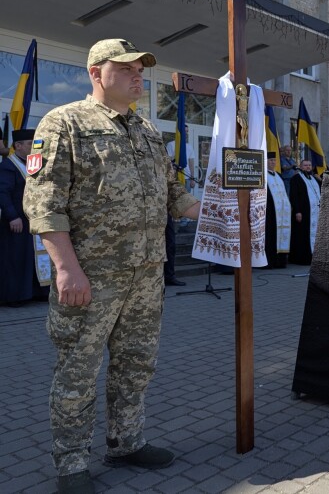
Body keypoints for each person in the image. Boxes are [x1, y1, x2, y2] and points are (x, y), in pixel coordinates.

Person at [22, 39, 200, 494]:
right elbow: (44, 205)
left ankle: (126, 441)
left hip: (146, 273)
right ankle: (71, 463)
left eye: (140, 69)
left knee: (136, 364)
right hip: (91, 275)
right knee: (78, 370)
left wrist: (225, 209)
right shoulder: (65, 123)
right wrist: (66, 269)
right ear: (96, 73)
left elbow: (174, 194)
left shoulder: (147, 130)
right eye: (126, 69)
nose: (138, 76)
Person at [0, 128, 50, 305]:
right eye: (30, 144)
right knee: (16, 259)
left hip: (35, 220)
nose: (34, 147)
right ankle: (16, 296)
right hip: (17, 221)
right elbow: (3, 193)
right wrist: (12, 216)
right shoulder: (8, 166)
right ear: (18, 145)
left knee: (34, 258)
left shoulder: (36, 163)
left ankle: (39, 292)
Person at [289, 159, 321, 265]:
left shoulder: (314, 178)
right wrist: (297, 211)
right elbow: (294, 196)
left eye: (309, 165)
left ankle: (313, 256)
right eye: (305, 165)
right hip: (303, 212)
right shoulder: (296, 179)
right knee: (302, 235)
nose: (308, 167)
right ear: (301, 166)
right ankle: (302, 258)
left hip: (315, 212)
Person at [265, 151, 291, 268]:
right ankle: (270, 261)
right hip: (270, 212)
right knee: (270, 236)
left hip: (282, 213)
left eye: (274, 160)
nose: (273, 162)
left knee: (281, 235)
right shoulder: (263, 176)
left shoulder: (279, 176)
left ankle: (280, 261)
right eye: (270, 160)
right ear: (265, 162)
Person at [165, 124, 196, 193]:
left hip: (187, 178)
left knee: (187, 198)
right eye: (184, 131)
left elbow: (191, 164)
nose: (186, 133)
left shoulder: (189, 147)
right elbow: (168, 162)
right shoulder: (171, 144)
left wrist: (192, 178)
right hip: (175, 178)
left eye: (187, 131)